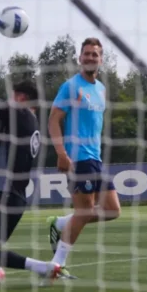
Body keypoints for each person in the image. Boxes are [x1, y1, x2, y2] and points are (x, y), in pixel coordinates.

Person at [0, 80, 61, 292]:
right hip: (16, 199)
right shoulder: (32, 123)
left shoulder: (21, 115)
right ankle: (45, 268)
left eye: (12, 96)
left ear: (21, 98)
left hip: (2, 195)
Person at [46, 37, 122, 279]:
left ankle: (60, 223)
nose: (90, 57)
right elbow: (53, 120)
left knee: (113, 210)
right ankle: (56, 265)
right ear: (80, 58)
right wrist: (61, 154)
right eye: (86, 54)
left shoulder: (101, 89)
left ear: (101, 60)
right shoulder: (71, 86)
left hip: (95, 158)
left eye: (94, 54)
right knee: (85, 211)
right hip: (78, 158)